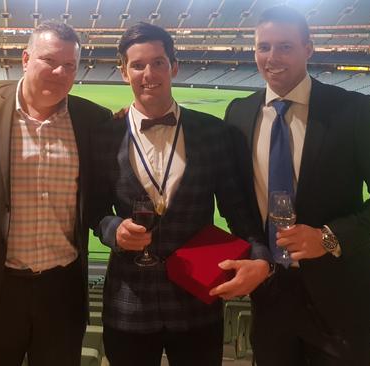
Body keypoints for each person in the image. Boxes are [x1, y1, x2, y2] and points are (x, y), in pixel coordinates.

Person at [224, 5, 370, 365]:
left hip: (340, 300)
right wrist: (256, 252)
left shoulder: (353, 110)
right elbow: (237, 203)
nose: (272, 57)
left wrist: (329, 238)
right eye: (263, 46)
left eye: (285, 46)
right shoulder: (239, 113)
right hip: (271, 295)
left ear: (308, 49)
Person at [89, 22, 268, 366]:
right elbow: (94, 209)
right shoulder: (103, 136)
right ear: (124, 71)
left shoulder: (214, 133)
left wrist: (260, 257)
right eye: (138, 65)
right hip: (129, 304)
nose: (149, 73)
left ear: (174, 66)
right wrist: (114, 230)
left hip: (197, 302)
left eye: (158, 62)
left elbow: (239, 211)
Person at [0, 21, 111, 365]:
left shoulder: (94, 120)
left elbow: (97, 199)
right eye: (49, 61)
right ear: (25, 59)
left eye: (69, 65)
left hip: (61, 292)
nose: (59, 72)